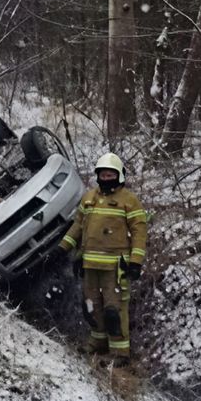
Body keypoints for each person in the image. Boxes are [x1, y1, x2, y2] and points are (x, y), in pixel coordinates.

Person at [60, 153, 148, 366]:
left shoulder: (129, 200)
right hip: (90, 265)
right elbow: (79, 226)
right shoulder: (89, 197)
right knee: (91, 305)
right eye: (103, 174)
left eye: (110, 174)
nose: (106, 178)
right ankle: (97, 342)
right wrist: (65, 247)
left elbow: (139, 231)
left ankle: (120, 353)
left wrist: (136, 262)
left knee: (114, 309)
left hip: (115, 268)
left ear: (119, 176)